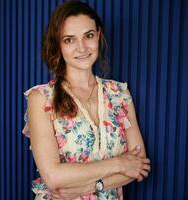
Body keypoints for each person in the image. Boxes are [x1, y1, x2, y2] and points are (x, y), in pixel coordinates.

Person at [22, 1, 151, 199]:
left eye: (88, 36)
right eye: (69, 40)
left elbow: (139, 164)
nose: (82, 48)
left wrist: (87, 186)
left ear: (98, 36)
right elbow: (53, 177)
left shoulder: (119, 93)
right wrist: (119, 164)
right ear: (58, 44)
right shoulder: (41, 98)